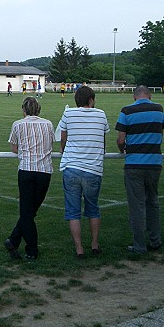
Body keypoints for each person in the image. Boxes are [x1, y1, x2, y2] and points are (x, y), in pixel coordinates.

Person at [58, 86, 110, 258]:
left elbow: (63, 139)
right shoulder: (101, 114)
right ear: (91, 100)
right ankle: (95, 245)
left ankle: (79, 249)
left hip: (71, 168)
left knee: (73, 211)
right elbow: (103, 141)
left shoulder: (68, 114)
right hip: (93, 169)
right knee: (93, 209)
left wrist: (64, 150)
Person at [116, 85, 164, 254]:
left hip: (134, 164)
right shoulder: (159, 110)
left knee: (137, 206)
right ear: (149, 96)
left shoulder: (126, 111)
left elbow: (121, 139)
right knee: (153, 202)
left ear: (134, 96)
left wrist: (122, 149)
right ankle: (155, 241)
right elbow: (160, 132)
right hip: (154, 163)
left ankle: (139, 245)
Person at [4, 97, 54, 260]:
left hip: (26, 170)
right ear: (38, 110)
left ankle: (27, 247)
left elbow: (14, 148)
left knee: (28, 211)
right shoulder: (48, 124)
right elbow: (51, 144)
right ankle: (18, 243)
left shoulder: (18, 124)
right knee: (30, 211)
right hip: (44, 172)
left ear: (23, 109)